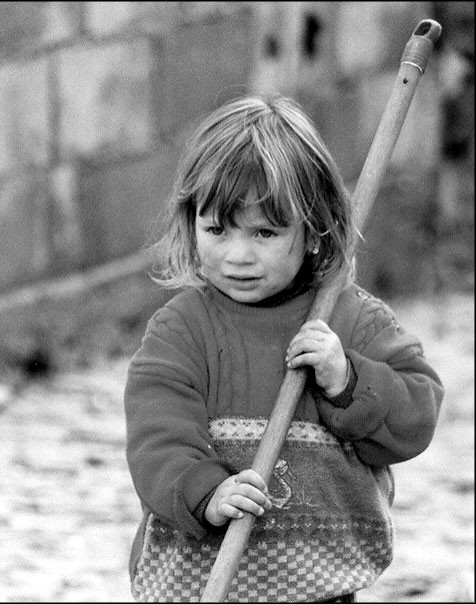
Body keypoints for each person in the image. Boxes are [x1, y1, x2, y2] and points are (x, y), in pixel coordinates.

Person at [124, 94, 444, 603]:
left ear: (314, 230)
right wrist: (207, 492)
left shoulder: (353, 321)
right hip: (203, 581)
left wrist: (346, 382)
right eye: (216, 230)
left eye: (265, 232)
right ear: (191, 223)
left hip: (317, 582)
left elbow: (415, 418)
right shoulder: (180, 332)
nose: (238, 256)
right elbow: (156, 439)